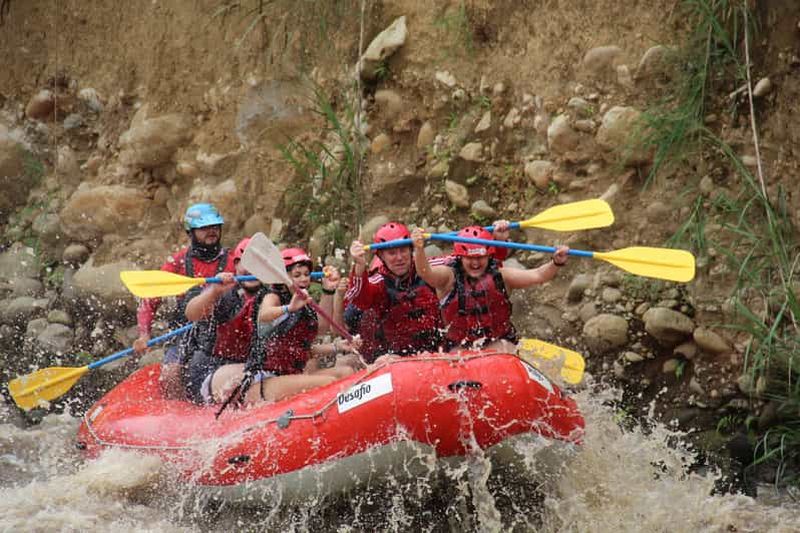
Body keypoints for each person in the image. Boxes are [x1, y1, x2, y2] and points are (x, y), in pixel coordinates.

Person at [411, 223, 569, 353]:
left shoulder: (502, 277)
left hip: (497, 345)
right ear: (460, 257)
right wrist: (418, 249)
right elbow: (426, 273)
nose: (476, 263)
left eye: (481, 257)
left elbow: (538, 275)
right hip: (458, 348)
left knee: (505, 349)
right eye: (470, 258)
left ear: (489, 255)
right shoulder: (448, 278)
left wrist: (556, 262)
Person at [133, 202, 234, 398]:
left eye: (214, 227)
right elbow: (149, 300)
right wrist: (144, 334)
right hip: (185, 331)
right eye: (204, 228)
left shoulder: (231, 261)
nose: (211, 232)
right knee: (171, 374)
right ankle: (179, 415)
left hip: (222, 330)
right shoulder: (178, 262)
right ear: (191, 232)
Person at [239, 247, 359, 405]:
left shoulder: (303, 302)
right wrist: (289, 308)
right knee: (328, 382)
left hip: (291, 375)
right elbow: (264, 315)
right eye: (297, 275)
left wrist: (339, 346)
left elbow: (318, 333)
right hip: (264, 379)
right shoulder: (273, 295)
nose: (303, 279)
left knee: (347, 372)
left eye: (306, 274)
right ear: (283, 277)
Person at [345, 222, 444, 360]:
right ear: (381, 257)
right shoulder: (378, 281)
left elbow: (459, 262)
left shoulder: (428, 268)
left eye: (403, 250)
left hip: (437, 350)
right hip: (396, 357)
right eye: (392, 253)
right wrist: (359, 266)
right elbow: (357, 298)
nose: (399, 258)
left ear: (411, 250)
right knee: (385, 360)